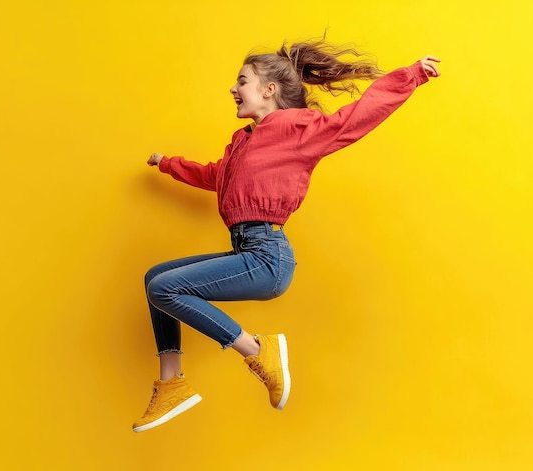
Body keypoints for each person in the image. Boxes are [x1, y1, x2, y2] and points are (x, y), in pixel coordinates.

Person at [133, 37, 441, 432]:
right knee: (154, 278)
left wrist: (411, 75)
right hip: (244, 249)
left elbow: (356, 117)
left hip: (268, 256)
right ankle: (172, 383)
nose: (233, 89)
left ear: (269, 90)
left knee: (166, 289)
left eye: (241, 81)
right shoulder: (241, 142)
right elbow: (214, 176)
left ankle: (257, 351)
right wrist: (168, 164)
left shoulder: (299, 129)